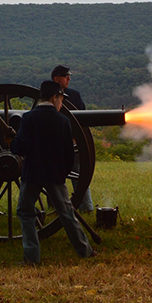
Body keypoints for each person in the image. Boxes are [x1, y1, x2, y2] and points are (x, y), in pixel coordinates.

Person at [12, 80, 95, 265]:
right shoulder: (63, 121)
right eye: (60, 99)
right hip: (55, 175)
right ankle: (85, 251)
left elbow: (20, 148)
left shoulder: (28, 118)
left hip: (32, 174)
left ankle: (32, 257)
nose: (61, 103)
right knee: (67, 214)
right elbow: (68, 153)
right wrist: (63, 173)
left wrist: (11, 141)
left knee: (26, 213)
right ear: (54, 97)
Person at [51, 64, 93, 212]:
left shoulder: (74, 95)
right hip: (53, 145)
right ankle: (55, 206)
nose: (69, 79)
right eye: (65, 76)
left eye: (69, 76)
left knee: (78, 176)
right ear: (56, 79)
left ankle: (86, 207)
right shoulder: (47, 95)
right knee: (53, 177)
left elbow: (83, 118)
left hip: (73, 143)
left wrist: (76, 139)